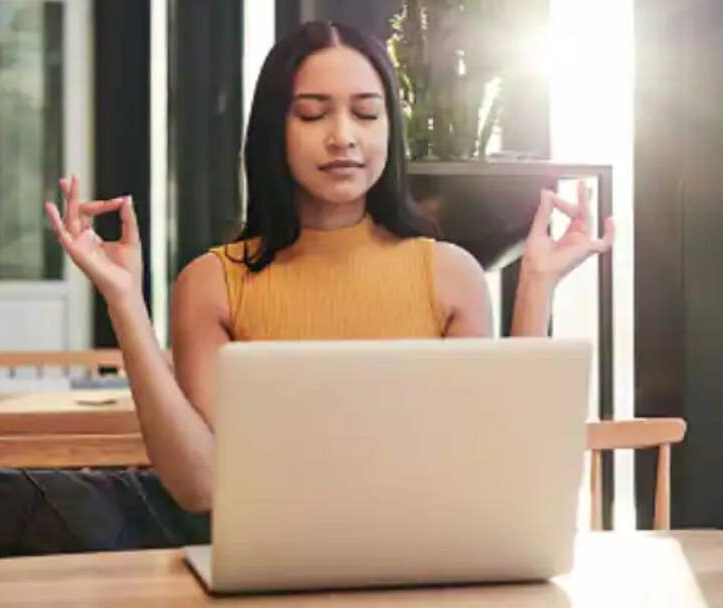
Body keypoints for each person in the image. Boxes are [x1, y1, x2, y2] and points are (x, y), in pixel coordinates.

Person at [45, 21, 613, 515]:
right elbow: (202, 487)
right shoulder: (213, 283)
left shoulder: (449, 274)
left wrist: (537, 285)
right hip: (271, 571)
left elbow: (493, 463)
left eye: (366, 113)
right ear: (274, 131)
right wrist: (125, 302)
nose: (343, 137)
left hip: (425, 561)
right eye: (313, 114)